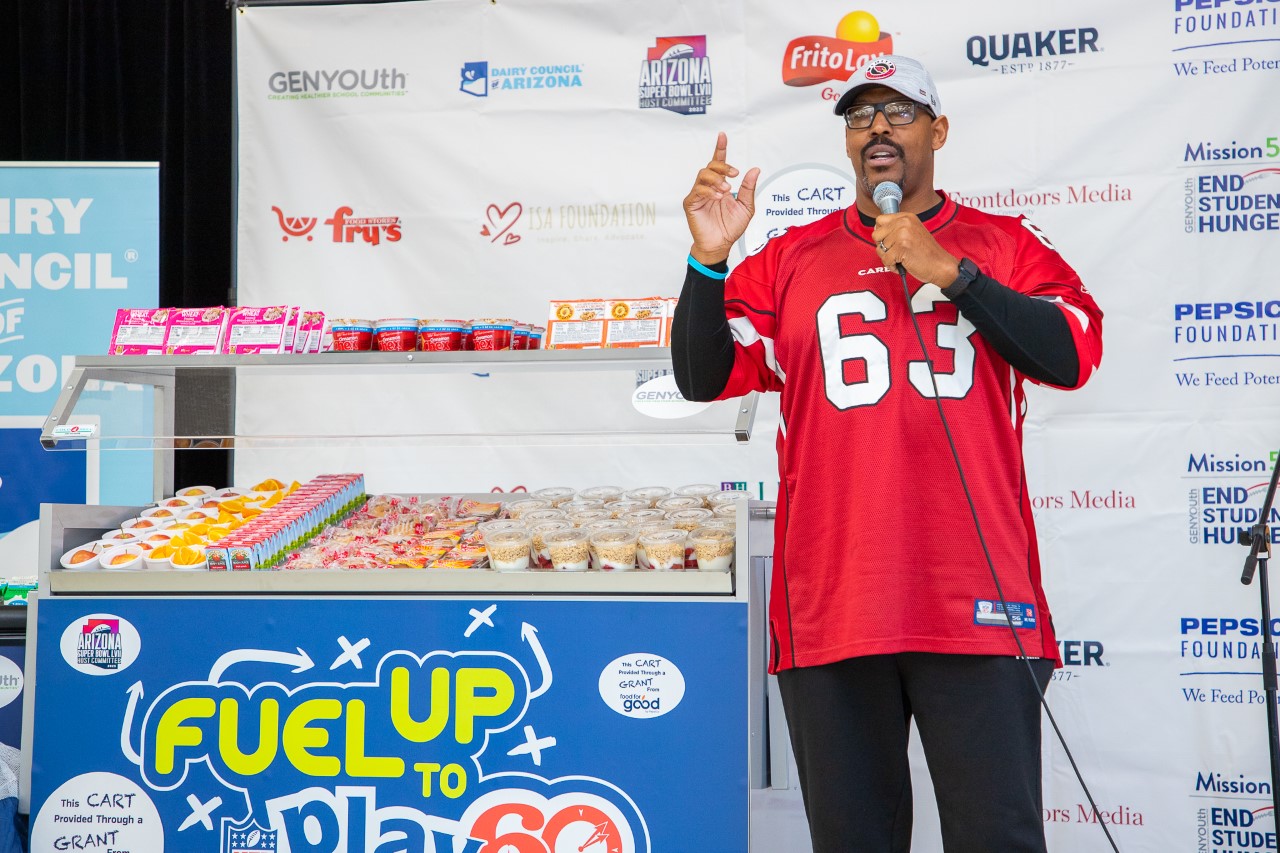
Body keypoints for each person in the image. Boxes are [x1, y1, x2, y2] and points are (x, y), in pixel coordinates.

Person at [671, 55, 1103, 852]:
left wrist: (953, 273)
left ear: (938, 131)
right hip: (834, 602)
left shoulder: (1001, 244)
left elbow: (1073, 353)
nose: (877, 127)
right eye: (860, 115)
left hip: (977, 600)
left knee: (997, 837)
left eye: (900, 112)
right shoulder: (790, 257)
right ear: (847, 144)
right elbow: (701, 375)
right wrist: (707, 260)